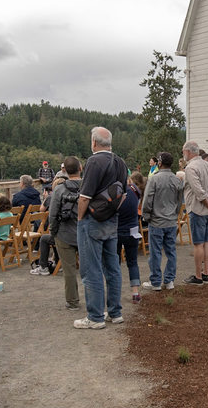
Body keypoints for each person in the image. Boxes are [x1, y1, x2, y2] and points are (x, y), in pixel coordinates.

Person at [73, 126, 128, 329]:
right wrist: (112, 212)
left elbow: (84, 197)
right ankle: (115, 312)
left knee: (91, 269)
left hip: (92, 221)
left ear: (94, 143)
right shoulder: (120, 162)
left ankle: (95, 316)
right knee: (112, 268)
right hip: (112, 220)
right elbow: (123, 195)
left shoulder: (94, 161)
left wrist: (80, 219)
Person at [181, 141, 208, 285]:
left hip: (198, 209)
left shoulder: (191, 168)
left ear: (188, 152)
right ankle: (206, 273)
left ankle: (199, 276)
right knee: (207, 242)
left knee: (199, 244)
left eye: (183, 151)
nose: (183, 154)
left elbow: (198, 191)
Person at [141, 152, 182, 291]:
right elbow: (179, 201)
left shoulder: (154, 179)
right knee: (171, 251)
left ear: (159, 163)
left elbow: (147, 200)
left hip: (156, 221)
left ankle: (156, 281)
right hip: (171, 221)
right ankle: (169, 280)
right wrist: (175, 215)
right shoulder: (177, 180)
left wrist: (146, 215)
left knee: (155, 252)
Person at [47, 156, 83, 309]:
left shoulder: (59, 189)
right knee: (91, 269)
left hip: (64, 233)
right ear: (80, 168)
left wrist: (53, 232)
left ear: (65, 171)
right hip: (85, 232)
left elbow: (53, 214)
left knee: (69, 270)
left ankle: (73, 301)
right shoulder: (89, 187)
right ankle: (95, 297)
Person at [117, 171, 144, 304]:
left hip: (116, 231)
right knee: (132, 262)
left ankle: (115, 292)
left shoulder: (116, 193)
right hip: (132, 230)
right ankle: (135, 292)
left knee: (114, 264)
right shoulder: (136, 191)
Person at [30, 176, 64, 275]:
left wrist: (45, 199)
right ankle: (58, 262)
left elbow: (41, 210)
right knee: (53, 235)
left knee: (46, 238)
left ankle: (43, 266)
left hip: (62, 235)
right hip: (74, 234)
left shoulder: (52, 197)